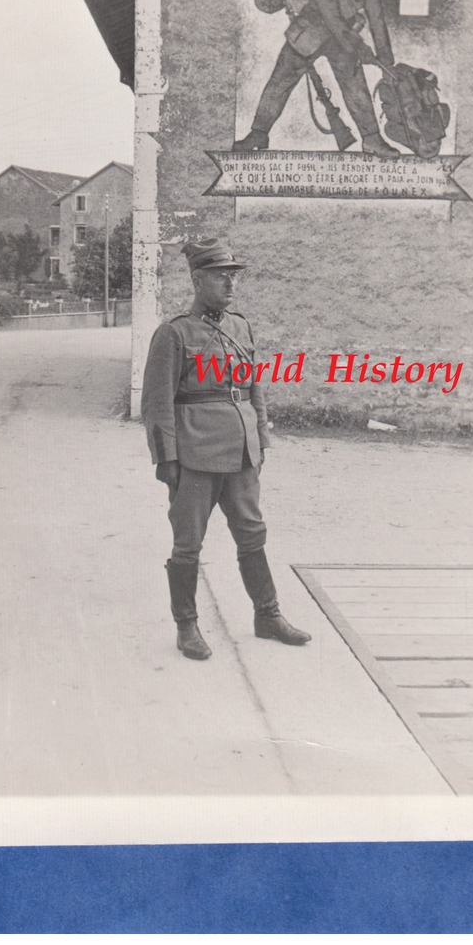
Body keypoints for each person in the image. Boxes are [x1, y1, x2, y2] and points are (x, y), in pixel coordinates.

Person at [141, 238, 312, 660]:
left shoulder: (241, 327)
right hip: (195, 454)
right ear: (198, 281)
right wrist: (167, 459)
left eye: (234, 276)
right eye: (221, 277)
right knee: (188, 544)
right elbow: (157, 403)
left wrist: (261, 441)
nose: (231, 284)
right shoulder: (174, 333)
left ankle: (267, 615)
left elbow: (255, 390)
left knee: (252, 534)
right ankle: (187, 627)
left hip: (241, 454)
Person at [234, 0, 400, 157]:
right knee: (280, 82)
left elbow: (376, 18)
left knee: (356, 89)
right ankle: (258, 133)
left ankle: (372, 140)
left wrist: (385, 58)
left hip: (344, 40)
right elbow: (327, 7)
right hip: (311, 31)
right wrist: (357, 46)